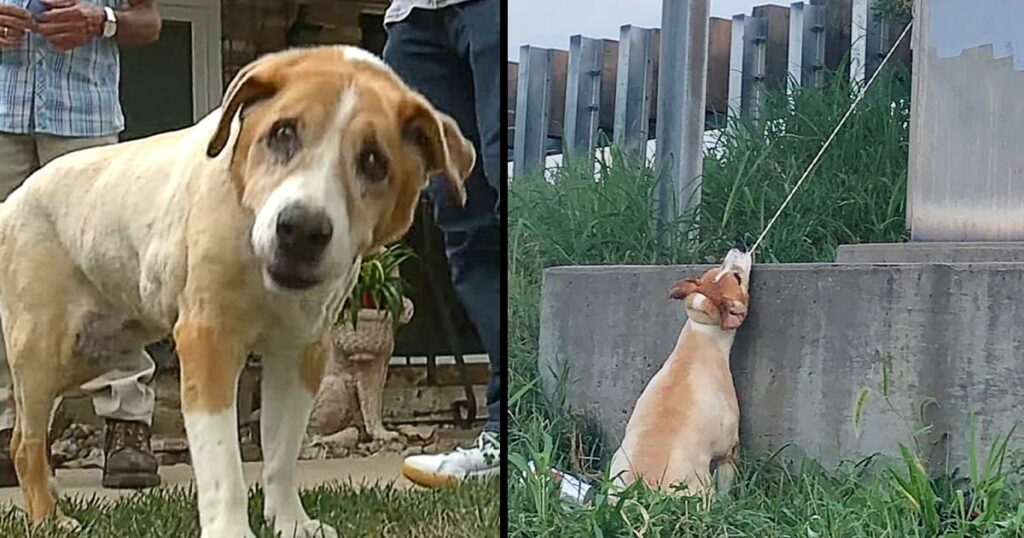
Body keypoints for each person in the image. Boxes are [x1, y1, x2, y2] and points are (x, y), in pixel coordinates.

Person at [0, 0, 162, 489]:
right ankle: (11, 428)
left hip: (84, 122)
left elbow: (148, 21)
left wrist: (101, 21)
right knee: (4, 280)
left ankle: (126, 425)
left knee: (110, 275)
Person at [382, 0, 501, 487]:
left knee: (503, 192)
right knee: (464, 223)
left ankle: (520, 426)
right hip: (412, 20)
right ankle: (502, 433)